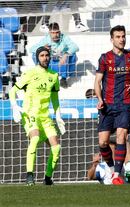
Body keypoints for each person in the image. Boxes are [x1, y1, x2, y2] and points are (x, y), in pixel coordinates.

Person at [94, 25, 130, 185]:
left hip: (125, 104)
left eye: (123, 36)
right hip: (107, 105)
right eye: (118, 36)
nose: (121, 39)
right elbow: (97, 82)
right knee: (103, 142)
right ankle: (110, 168)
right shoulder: (104, 58)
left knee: (122, 136)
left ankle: (116, 174)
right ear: (112, 39)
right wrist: (100, 99)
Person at [9, 46, 66, 186]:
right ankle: (29, 176)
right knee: (34, 139)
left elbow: (55, 99)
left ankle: (47, 178)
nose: (45, 58)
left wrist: (58, 116)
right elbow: (12, 91)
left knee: (56, 147)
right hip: (30, 114)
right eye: (42, 55)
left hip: (45, 117)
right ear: (37, 57)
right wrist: (15, 107)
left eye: (47, 55)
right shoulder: (30, 73)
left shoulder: (53, 76)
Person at [30, 22, 79, 88]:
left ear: (60, 32)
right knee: (34, 54)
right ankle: (43, 74)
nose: (55, 35)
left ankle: (64, 78)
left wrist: (65, 54)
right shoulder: (46, 39)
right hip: (51, 65)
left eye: (57, 32)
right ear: (49, 33)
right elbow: (31, 49)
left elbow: (76, 47)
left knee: (73, 54)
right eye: (53, 33)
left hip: (63, 65)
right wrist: (43, 48)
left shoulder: (64, 38)